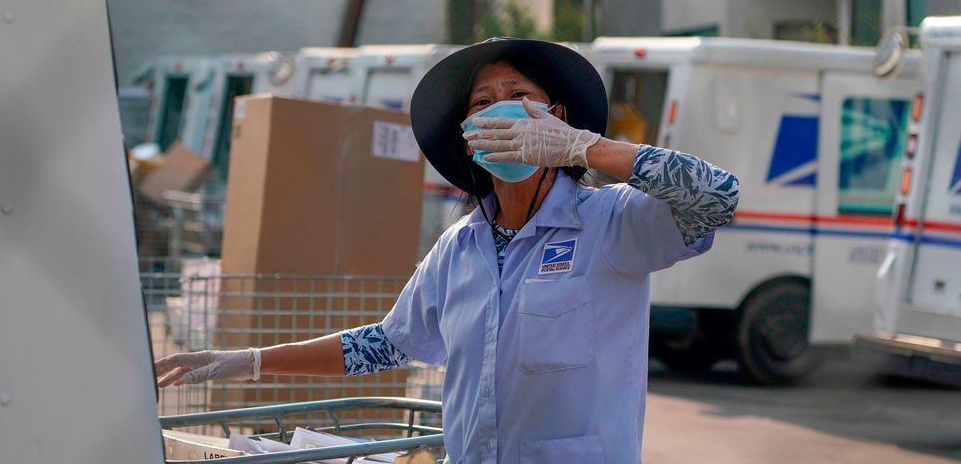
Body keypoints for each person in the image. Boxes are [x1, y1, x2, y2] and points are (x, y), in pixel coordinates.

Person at [154, 38, 739, 463]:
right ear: (468, 134)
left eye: (519, 95)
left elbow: (718, 197)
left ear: (555, 116)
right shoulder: (460, 246)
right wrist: (252, 361)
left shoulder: (611, 222)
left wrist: (587, 148)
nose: (498, 108)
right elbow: (386, 343)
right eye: (481, 103)